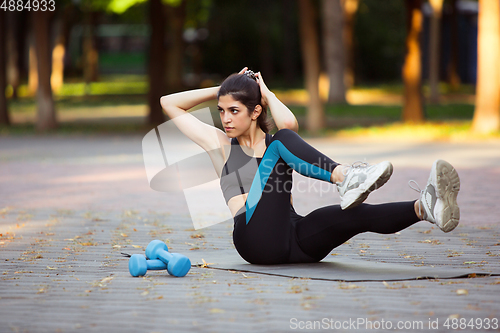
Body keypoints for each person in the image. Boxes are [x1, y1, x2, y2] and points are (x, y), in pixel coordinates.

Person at [160, 67, 461, 265]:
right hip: (254, 239)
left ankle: (425, 207)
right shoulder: (221, 146)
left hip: (293, 238)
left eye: (234, 110)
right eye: (222, 111)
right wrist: (223, 89)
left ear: (255, 111)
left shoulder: (274, 142)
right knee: (282, 142)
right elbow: (168, 103)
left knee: (355, 214)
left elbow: (289, 124)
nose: (225, 118)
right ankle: (346, 176)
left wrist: (264, 91)